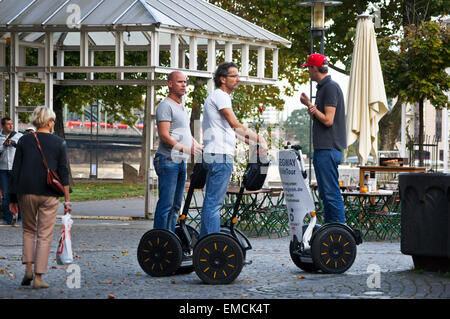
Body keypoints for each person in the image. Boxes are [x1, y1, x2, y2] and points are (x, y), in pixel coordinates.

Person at [200, 62, 268, 238]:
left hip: (216, 154)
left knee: (211, 202)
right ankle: (211, 245)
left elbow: (230, 130)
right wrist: (259, 138)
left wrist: (251, 142)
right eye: (234, 76)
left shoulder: (220, 97)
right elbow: (234, 124)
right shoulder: (221, 96)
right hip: (220, 156)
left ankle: (204, 243)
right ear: (222, 79)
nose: (238, 79)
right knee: (214, 204)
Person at [9, 106, 71, 289]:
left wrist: (12, 198)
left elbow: (16, 170)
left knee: (28, 230)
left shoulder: (24, 141)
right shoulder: (59, 143)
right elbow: (64, 173)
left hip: (26, 191)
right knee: (44, 235)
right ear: (50, 122)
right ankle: (38, 277)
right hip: (49, 193)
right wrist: (67, 201)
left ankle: (28, 267)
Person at [300, 53, 347, 224]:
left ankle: (340, 230)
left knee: (330, 192)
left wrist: (310, 106)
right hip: (324, 149)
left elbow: (328, 120)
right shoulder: (323, 87)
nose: (308, 72)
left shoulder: (330, 87)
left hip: (328, 149)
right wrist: (311, 109)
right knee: (326, 193)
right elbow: (321, 119)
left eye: (308, 68)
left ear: (314, 68)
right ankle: (331, 229)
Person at [153, 71, 202, 232]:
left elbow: (185, 133)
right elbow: (165, 136)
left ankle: (170, 241)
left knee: (175, 206)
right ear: (170, 84)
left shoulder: (181, 107)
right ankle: (159, 240)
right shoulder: (165, 106)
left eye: (185, 82)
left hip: (180, 161)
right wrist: (187, 148)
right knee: (166, 205)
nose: (184, 85)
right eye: (180, 82)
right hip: (168, 160)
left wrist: (197, 145)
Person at [0, 117, 23, 225]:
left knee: (19, 194)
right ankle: (7, 219)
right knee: (5, 195)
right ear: (2, 126)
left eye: (12, 124)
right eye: (8, 124)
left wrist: (13, 143)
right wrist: (4, 145)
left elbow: (24, 149)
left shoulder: (19, 136)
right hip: (3, 169)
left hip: (16, 169)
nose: (11, 126)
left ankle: (21, 219)